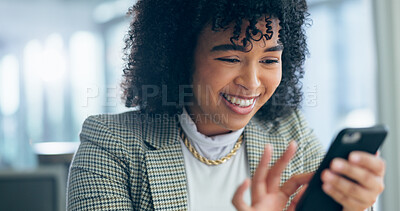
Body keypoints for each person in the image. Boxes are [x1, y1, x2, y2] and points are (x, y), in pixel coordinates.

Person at [67, 0, 385, 210]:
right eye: (231, 58)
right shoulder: (109, 143)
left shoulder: (292, 133)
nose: (252, 82)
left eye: (270, 59)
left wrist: (353, 202)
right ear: (179, 58)